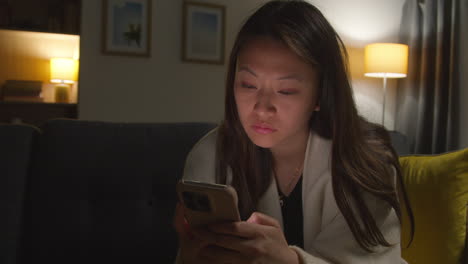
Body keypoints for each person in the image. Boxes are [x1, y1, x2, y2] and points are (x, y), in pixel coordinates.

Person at [173, 0, 414, 263]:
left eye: (286, 90)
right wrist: (192, 253)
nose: (262, 108)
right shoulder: (211, 156)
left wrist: (290, 260)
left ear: (320, 95)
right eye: (248, 84)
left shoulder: (363, 163)